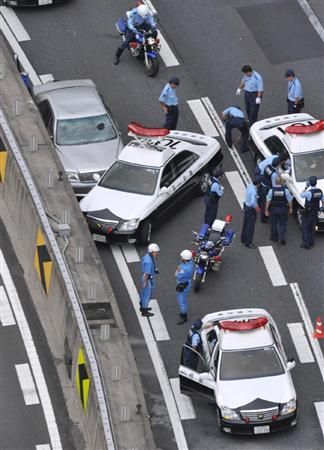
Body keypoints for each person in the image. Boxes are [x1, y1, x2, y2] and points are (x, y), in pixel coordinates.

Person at [265, 176, 293, 245]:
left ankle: (274, 238)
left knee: (273, 223)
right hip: (283, 209)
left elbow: (268, 200)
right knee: (282, 224)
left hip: (273, 209)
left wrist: (266, 209)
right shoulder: (285, 191)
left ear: (275, 182)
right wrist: (290, 208)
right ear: (281, 182)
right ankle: (282, 238)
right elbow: (290, 200)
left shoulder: (272, 191)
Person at [300, 176, 324, 249]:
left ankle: (306, 244)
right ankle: (312, 242)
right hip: (316, 211)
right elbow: (322, 201)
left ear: (309, 183)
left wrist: (306, 187)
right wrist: (322, 208)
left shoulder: (308, 193)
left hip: (308, 212)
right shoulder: (320, 191)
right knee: (313, 226)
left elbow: (301, 195)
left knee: (306, 227)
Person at [257, 156, 280, 223]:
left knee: (261, 200)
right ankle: (264, 218)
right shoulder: (274, 174)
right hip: (267, 189)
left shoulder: (268, 166)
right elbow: (274, 186)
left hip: (262, 185)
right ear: (277, 164)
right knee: (266, 203)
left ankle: (260, 207)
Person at [139, 243, 160, 316]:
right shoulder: (149, 261)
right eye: (156, 252)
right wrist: (145, 282)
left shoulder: (148, 256)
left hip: (147, 277)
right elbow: (147, 273)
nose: (157, 253)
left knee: (144, 293)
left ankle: (142, 306)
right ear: (152, 252)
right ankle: (144, 310)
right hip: (147, 278)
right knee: (147, 295)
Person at [175, 250, 195, 325]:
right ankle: (183, 313)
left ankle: (184, 315)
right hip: (187, 282)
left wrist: (178, 269)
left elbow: (176, 275)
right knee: (182, 298)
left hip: (183, 284)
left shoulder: (184, 269)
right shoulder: (190, 263)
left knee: (182, 300)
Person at [241, 178, 260, 249]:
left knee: (245, 224)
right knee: (250, 227)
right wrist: (257, 207)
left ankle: (243, 238)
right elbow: (253, 202)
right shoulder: (254, 192)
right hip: (251, 210)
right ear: (258, 184)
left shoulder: (249, 186)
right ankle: (248, 242)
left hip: (246, 206)